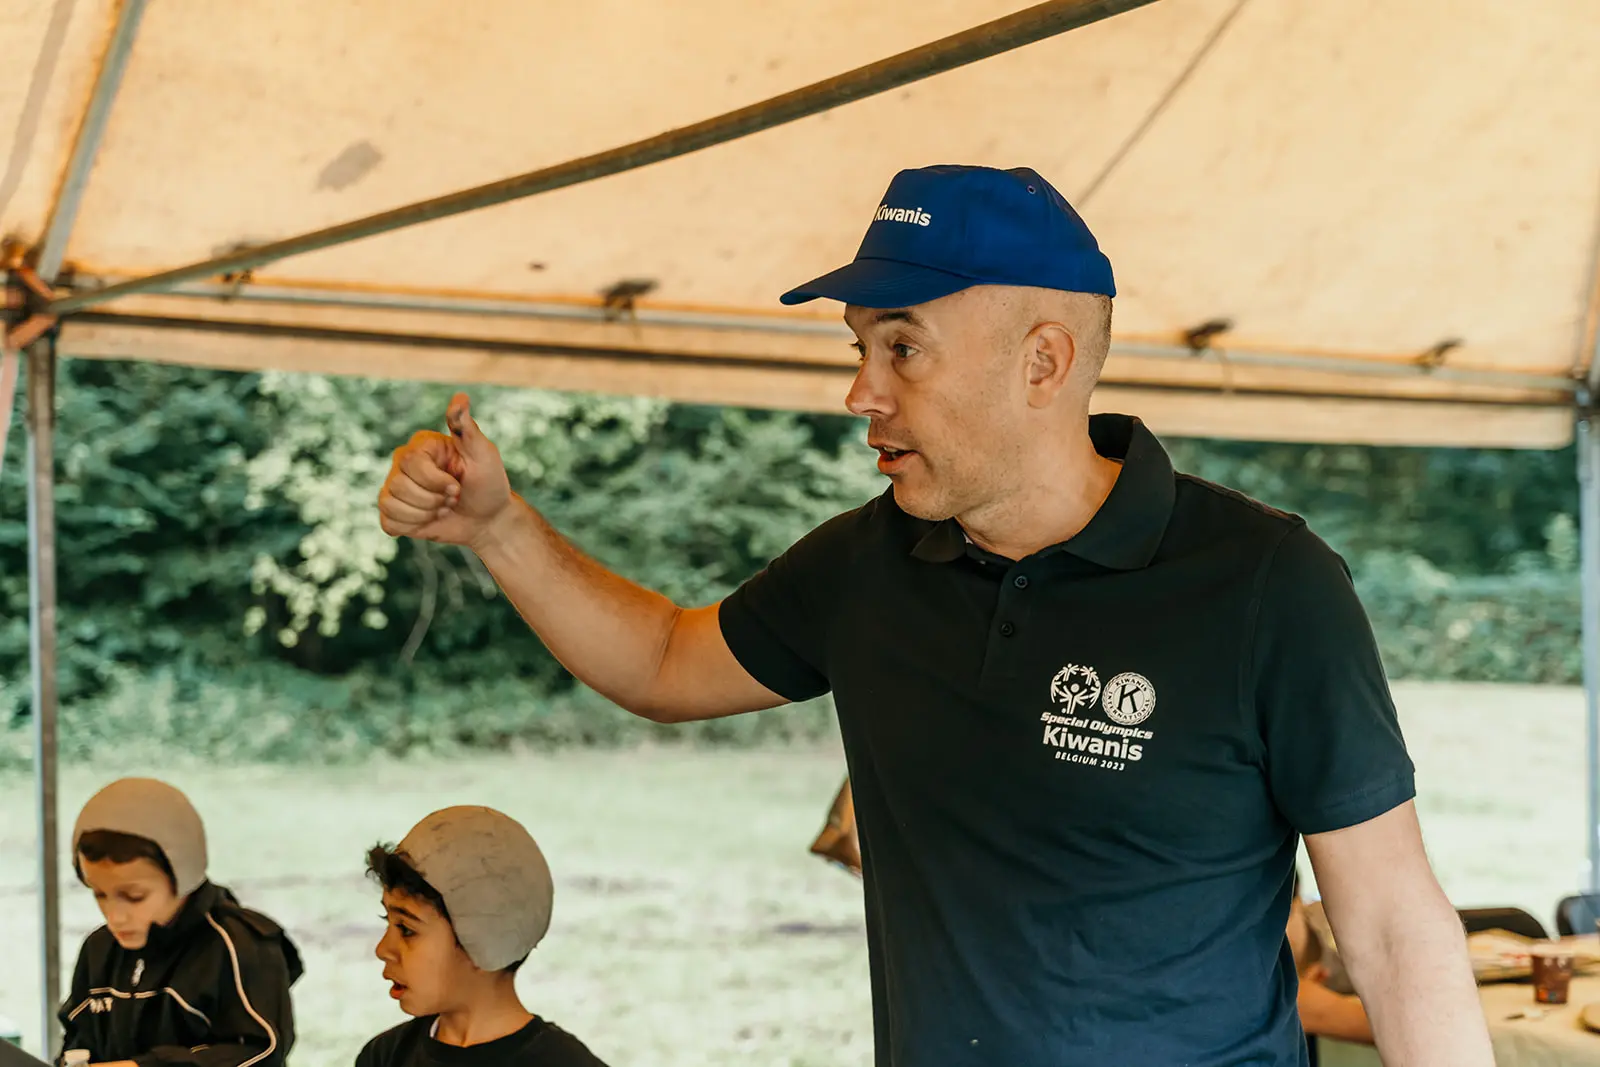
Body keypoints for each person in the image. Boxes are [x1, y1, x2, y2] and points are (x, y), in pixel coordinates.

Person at [377, 163, 1491, 1066]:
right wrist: (499, 527)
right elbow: (667, 661)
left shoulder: (1263, 583)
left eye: (901, 347)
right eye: (858, 348)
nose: (861, 391)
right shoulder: (868, 565)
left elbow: (1393, 928)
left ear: (1042, 361)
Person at [58, 777, 302, 1067]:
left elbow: (261, 1052)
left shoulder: (239, 945)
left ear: (183, 874)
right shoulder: (99, 949)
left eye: (135, 896)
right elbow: (77, 1040)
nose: (115, 916)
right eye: (99, 894)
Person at [356, 806, 607, 1067]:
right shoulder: (385, 1057)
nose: (383, 949)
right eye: (387, 921)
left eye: (407, 929)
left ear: (484, 940)